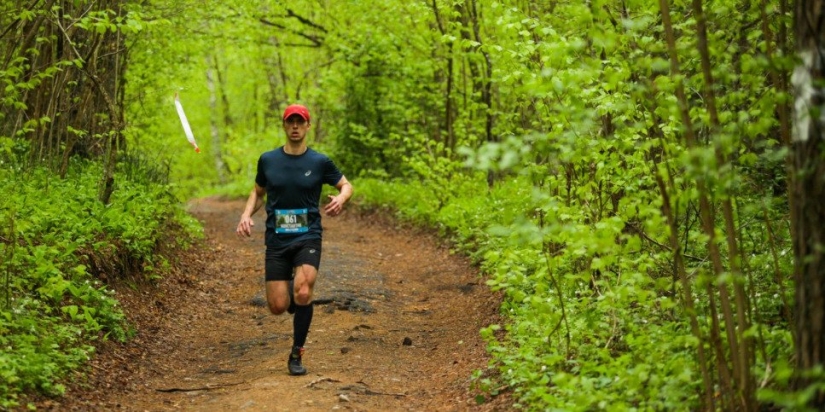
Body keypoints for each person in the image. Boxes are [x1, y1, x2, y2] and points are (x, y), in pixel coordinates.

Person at [236, 103, 353, 376]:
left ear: (308, 126)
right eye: (291, 122)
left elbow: (346, 184)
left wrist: (341, 197)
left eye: (301, 122)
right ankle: (292, 297)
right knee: (278, 306)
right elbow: (258, 192)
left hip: (308, 235)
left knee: (303, 290)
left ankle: (296, 353)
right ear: (284, 126)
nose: (296, 126)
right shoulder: (268, 160)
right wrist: (245, 214)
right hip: (277, 239)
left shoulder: (320, 162)